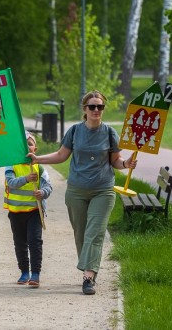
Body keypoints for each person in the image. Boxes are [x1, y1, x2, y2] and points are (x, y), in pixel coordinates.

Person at [28, 90, 137, 295]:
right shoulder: (75, 131)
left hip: (103, 190)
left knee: (94, 233)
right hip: (76, 191)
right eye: (92, 106)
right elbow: (61, 155)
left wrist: (126, 163)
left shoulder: (109, 133)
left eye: (100, 106)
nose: (96, 110)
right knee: (81, 234)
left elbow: (116, 160)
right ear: (85, 109)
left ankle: (88, 277)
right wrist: (37, 158)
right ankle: (89, 268)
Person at [5, 131, 52, 288]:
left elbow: (48, 186)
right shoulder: (11, 165)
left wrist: (43, 192)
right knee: (20, 243)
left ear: (35, 149)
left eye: (30, 144)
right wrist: (26, 179)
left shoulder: (39, 168)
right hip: (16, 212)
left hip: (34, 211)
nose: (27, 147)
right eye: (23, 144)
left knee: (35, 241)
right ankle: (24, 271)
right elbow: (11, 182)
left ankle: (35, 274)